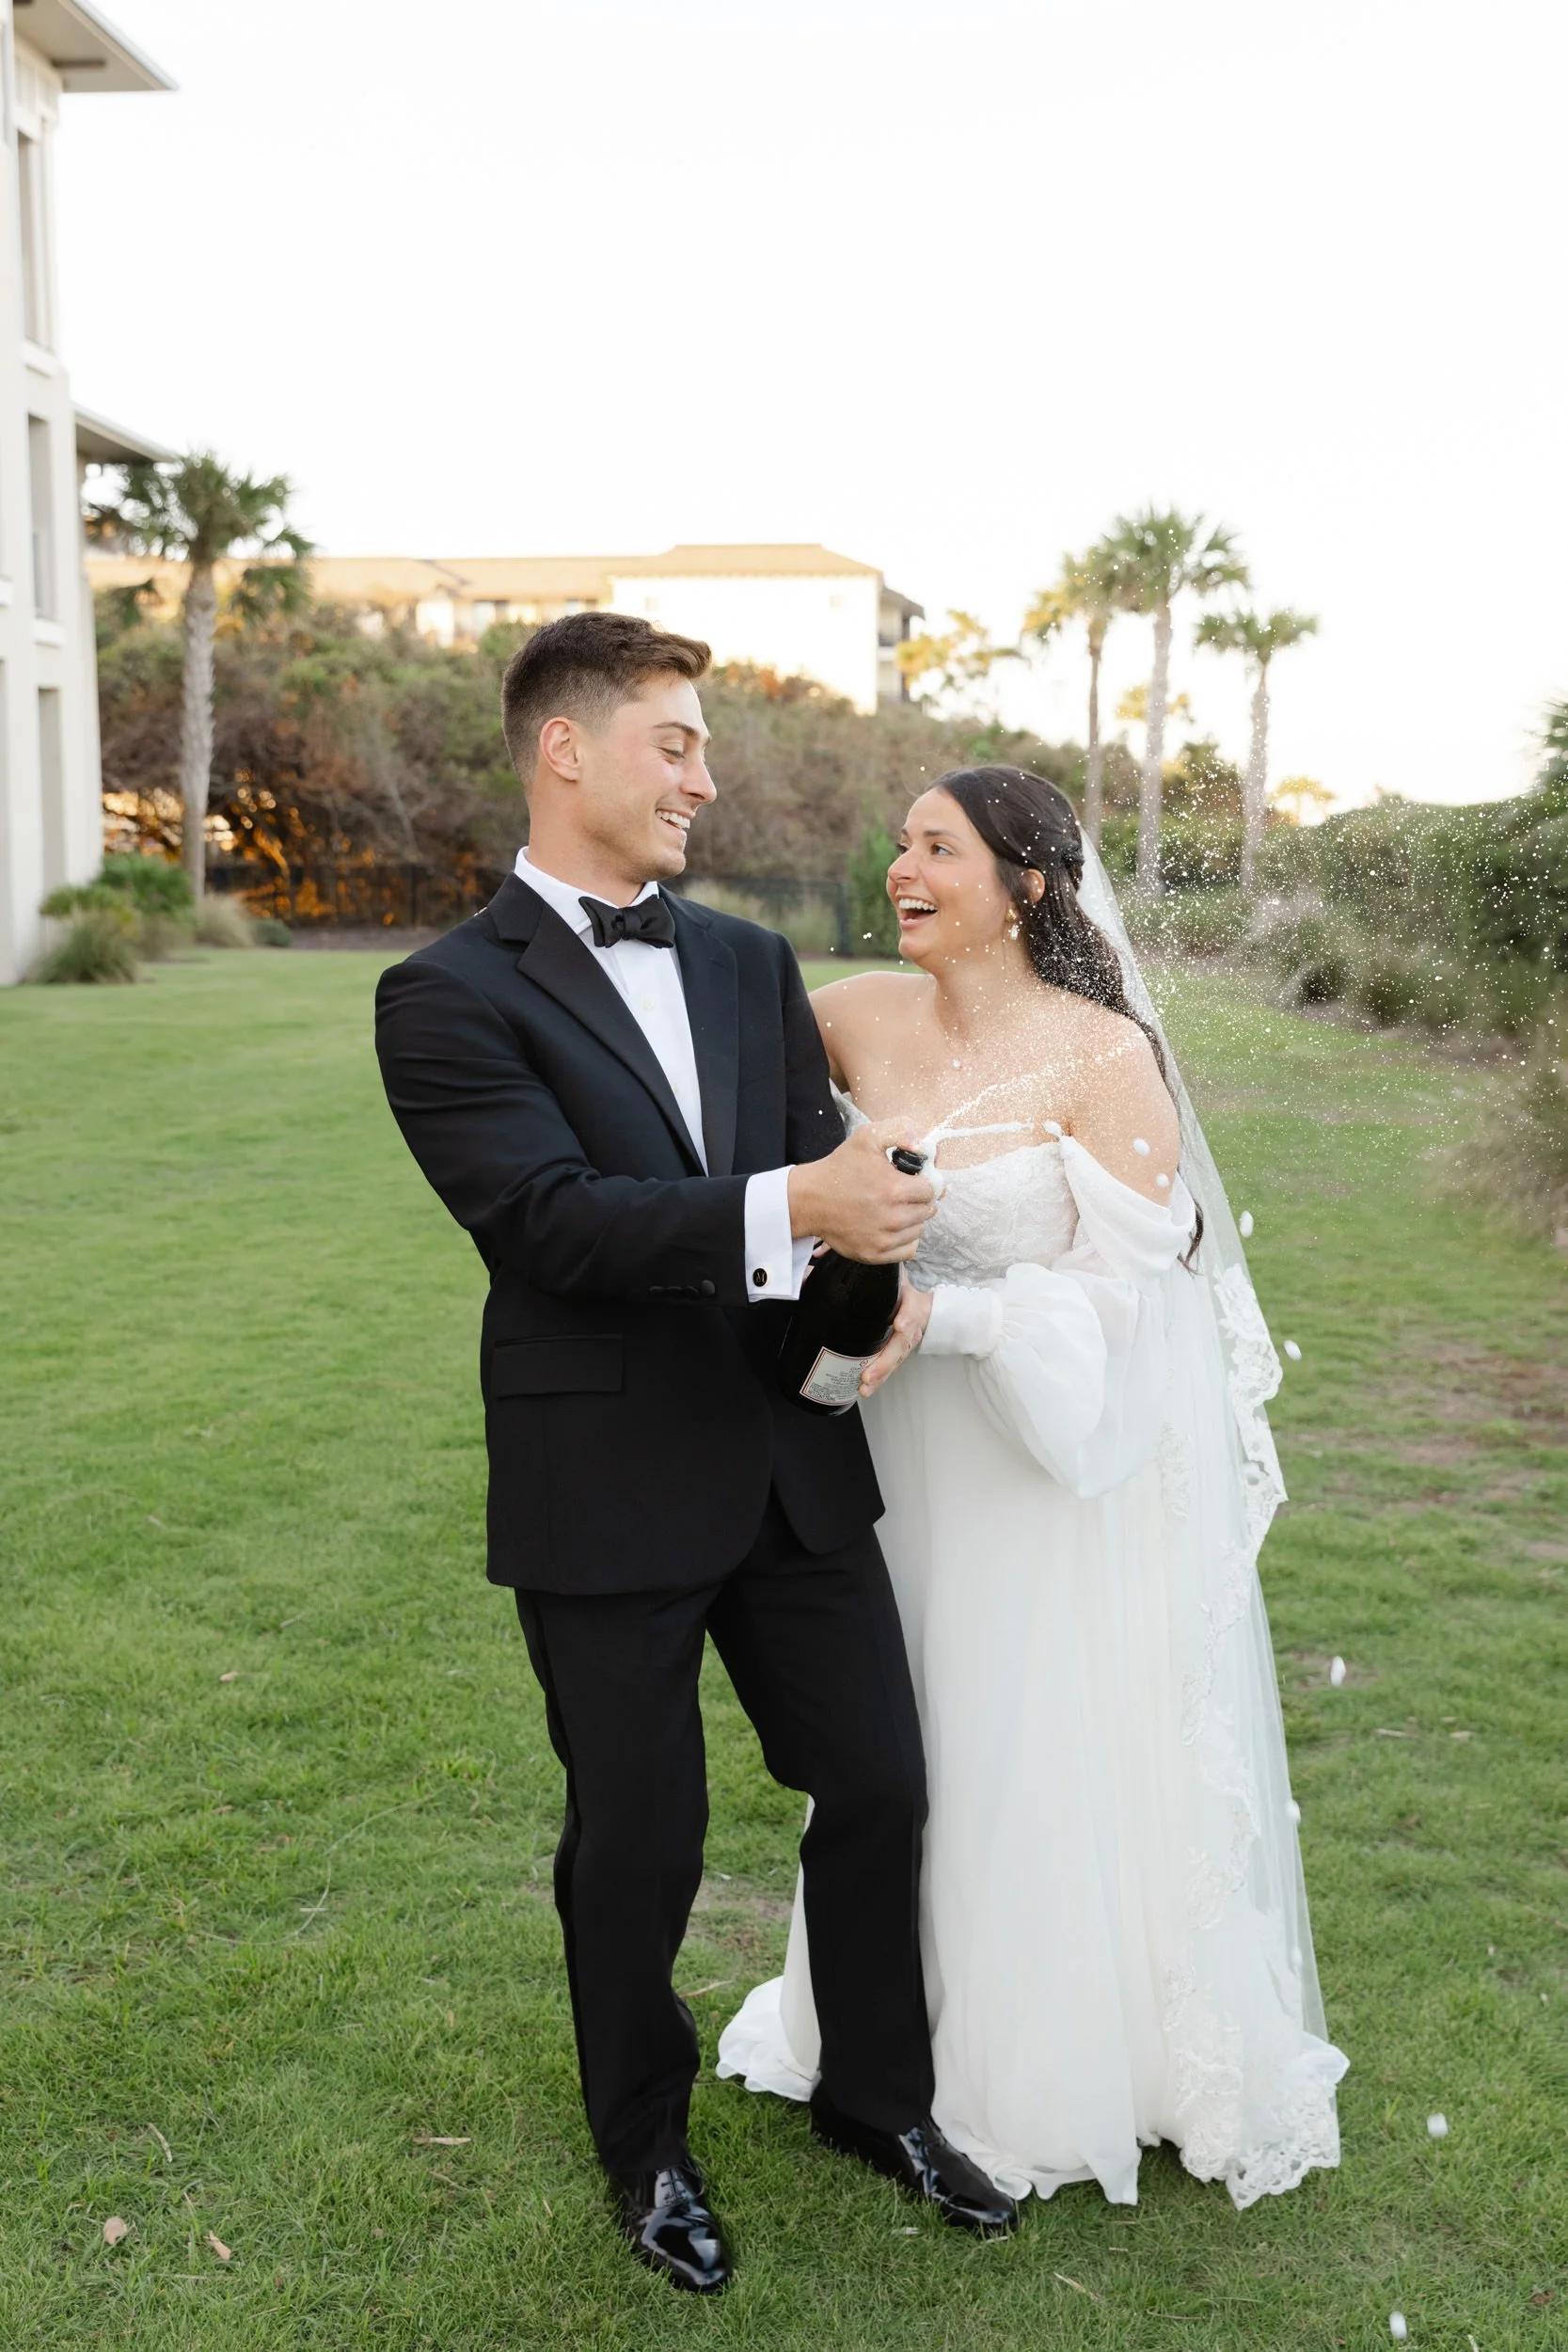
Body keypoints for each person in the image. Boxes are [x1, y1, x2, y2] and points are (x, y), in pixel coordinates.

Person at [373, 615, 1018, 2296]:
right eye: (676, 742)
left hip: (790, 1466)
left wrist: (864, 1254)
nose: (704, 779)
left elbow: (818, 1183)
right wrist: (791, 1205)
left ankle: (877, 2103)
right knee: (640, 1838)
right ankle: (645, 2146)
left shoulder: (740, 962)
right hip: (605, 1489)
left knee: (878, 1783)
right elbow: (549, 1224)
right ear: (564, 749)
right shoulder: (439, 995)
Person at [720, 767, 1348, 2211]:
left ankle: (1036, 2066)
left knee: (1013, 1736)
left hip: (1031, 1461)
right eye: (896, 844)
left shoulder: (1104, 1058)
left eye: (937, 846)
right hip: (875, 1459)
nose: (901, 866)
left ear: (1028, 886)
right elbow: (751, 1142)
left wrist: (946, 1320)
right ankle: (870, 2043)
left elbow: (1131, 1315)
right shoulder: (852, 1015)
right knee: (888, 1744)